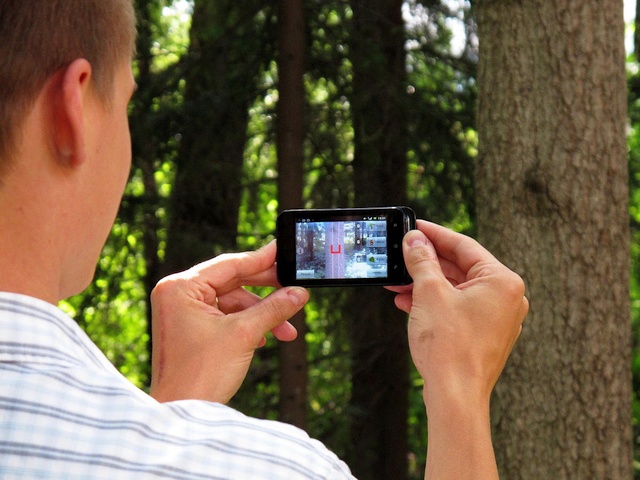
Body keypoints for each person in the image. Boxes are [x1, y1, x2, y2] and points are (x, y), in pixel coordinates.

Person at [0, 1, 529, 478]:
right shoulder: (279, 470)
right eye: (123, 106)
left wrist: (180, 407)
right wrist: (459, 385)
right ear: (72, 109)